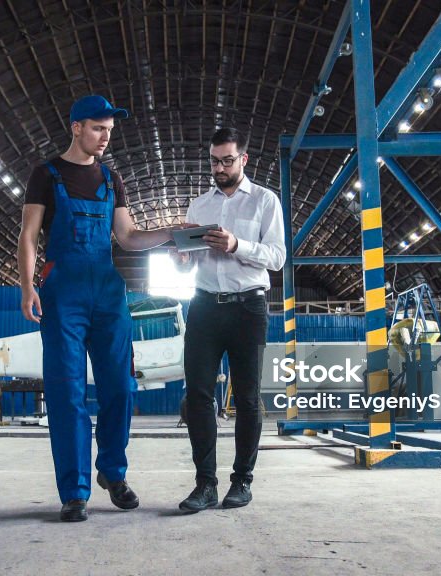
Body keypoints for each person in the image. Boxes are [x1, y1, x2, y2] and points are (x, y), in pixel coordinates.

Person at [18, 95, 180, 522]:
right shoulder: (46, 174)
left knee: (122, 388)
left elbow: (127, 238)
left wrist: (169, 233)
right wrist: (26, 287)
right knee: (67, 392)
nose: (106, 137)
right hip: (63, 292)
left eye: (109, 129)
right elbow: (30, 236)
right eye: (97, 128)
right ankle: (74, 492)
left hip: (109, 293)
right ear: (76, 127)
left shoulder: (112, 179)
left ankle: (112, 471)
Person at [171, 127, 285, 513]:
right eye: (214, 161)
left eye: (226, 161)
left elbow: (277, 257)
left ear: (243, 159)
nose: (219, 168)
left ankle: (242, 481)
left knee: (249, 398)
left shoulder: (265, 202)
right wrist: (183, 258)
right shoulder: (199, 207)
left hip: (248, 308)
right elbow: (187, 265)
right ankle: (205, 485)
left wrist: (237, 245)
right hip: (203, 306)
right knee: (199, 396)